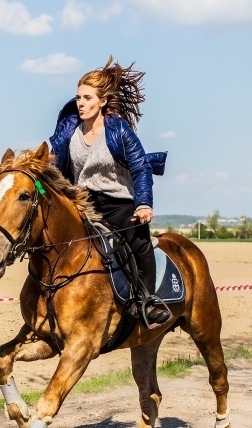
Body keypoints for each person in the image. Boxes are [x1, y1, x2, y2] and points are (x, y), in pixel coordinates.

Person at [49, 56, 170, 328]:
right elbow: (54, 170)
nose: (80, 103)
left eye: (87, 98)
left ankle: (147, 301)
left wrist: (143, 204)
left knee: (138, 241)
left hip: (119, 203)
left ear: (102, 101)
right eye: (78, 97)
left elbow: (140, 168)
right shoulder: (68, 132)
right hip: (84, 203)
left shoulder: (118, 129)